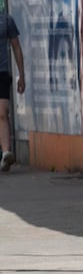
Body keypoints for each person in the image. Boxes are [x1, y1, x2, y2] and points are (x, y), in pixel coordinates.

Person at [0, 11, 25, 172]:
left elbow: (16, 47)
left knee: (2, 112)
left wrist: (21, 75)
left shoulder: (6, 21)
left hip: (2, 72)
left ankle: (5, 153)